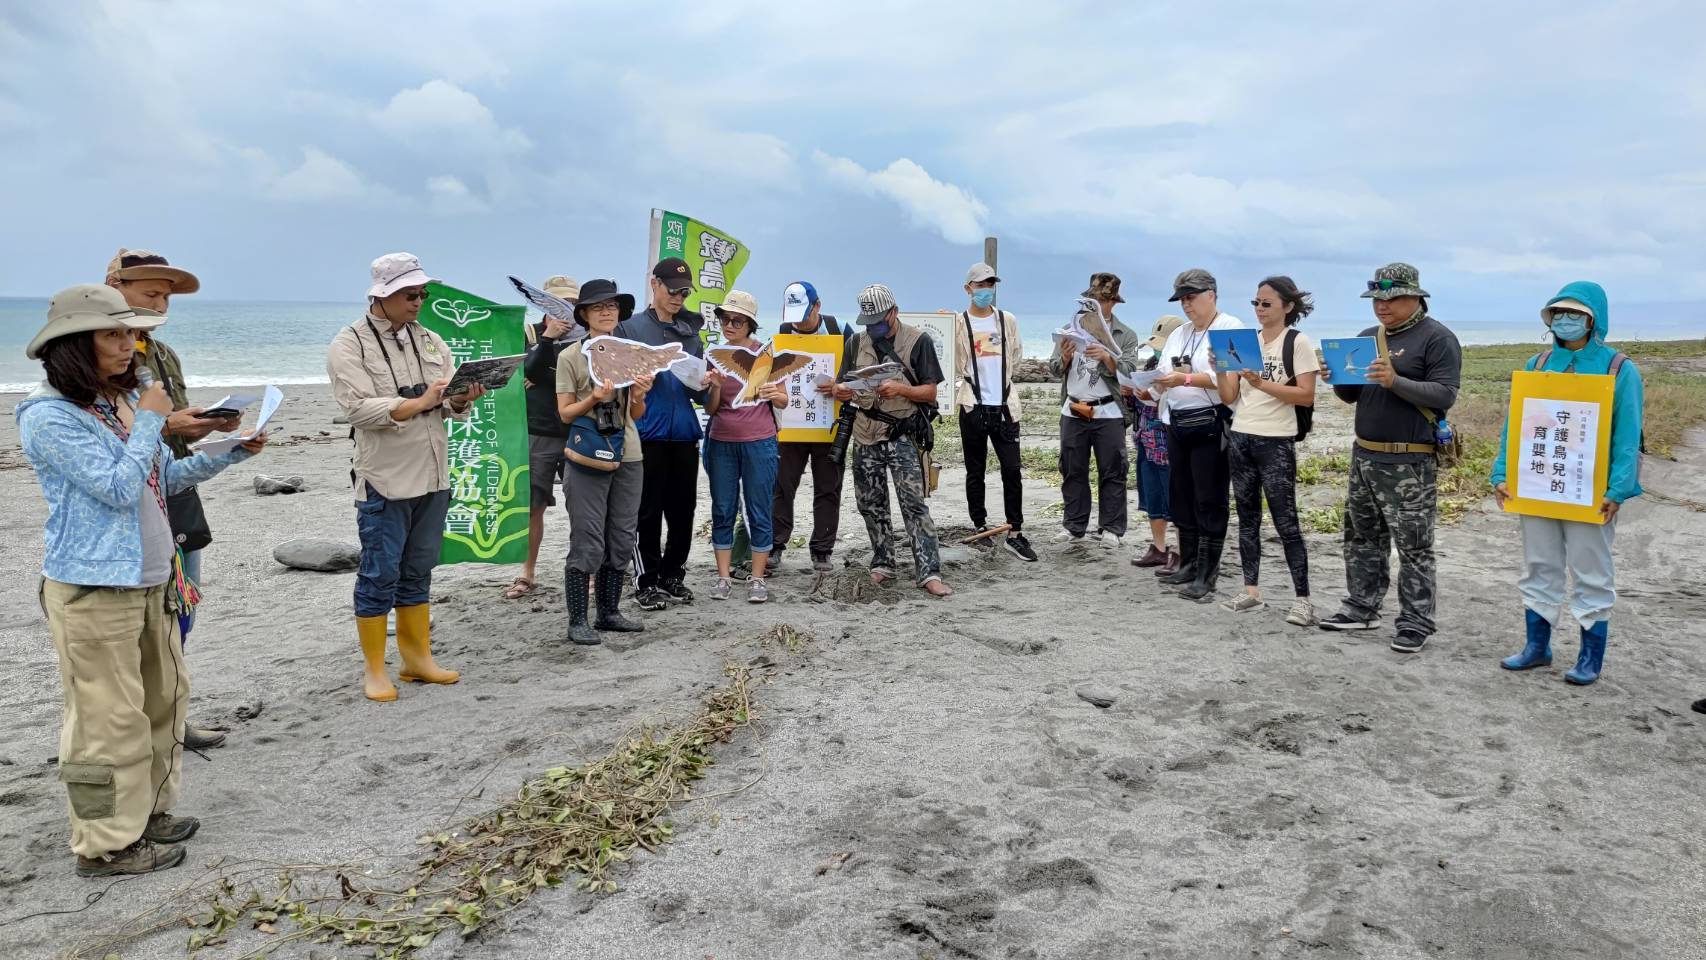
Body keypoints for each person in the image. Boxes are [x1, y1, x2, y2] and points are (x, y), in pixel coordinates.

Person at [17, 285, 266, 876]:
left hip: (151, 578)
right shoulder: (48, 414)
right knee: (107, 720)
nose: (129, 345)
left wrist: (229, 453)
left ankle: (147, 815)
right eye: (112, 334)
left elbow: (162, 482)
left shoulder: (114, 402)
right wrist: (153, 420)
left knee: (162, 703)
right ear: (73, 345)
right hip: (92, 588)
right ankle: (103, 845)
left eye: (130, 333)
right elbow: (117, 487)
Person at [327, 253, 485, 701]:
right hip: (385, 475)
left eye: (423, 293)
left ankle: (417, 659)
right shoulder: (349, 344)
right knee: (379, 571)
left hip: (435, 472)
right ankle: (375, 669)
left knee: (419, 569)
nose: (419, 301)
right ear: (382, 295)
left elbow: (451, 403)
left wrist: (462, 398)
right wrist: (418, 403)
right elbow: (355, 409)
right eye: (409, 294)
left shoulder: (432, 341)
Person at [105, 249, 240, 752]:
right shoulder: (91, 353)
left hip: (176, 490)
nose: (161, 303)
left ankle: (172, 715)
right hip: (129, 507)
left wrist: (203, 424)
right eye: (151, 293)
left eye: (166, 296)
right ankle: (143, 724)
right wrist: (166, 423)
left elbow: (170, 427)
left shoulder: (161, 352)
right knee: (137, 626)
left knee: (182, 609)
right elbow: (105, 432)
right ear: (113, 285)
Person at [1491, 282, 1642, 685]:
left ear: (1594, 320)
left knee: (1592, 570)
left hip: (1588, 491)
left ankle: (1590, 657)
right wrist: (1502, 473)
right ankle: (1536, 647)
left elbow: (1628, 436)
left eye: (1575, 313)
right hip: (1538, 484)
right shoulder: (1539, 364)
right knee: (1539, 565)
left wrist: (1618, 488)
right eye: (1558, 312)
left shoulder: (1618, 368)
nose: (1565, 320)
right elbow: (1516, 425)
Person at [1318, 262, 1461, 653]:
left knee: (1413, 545)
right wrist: (1337, 380)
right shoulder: (1368, 337)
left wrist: (1395, 380)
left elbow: (1445, 394)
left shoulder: (1437, 339)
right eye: (1377, 299)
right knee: (1362, 537)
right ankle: (1362, 606)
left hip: (1409, 460)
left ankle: (1415, 621)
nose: (1382, 306)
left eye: (1392, 298)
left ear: (1416, 297)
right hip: (1365, 454)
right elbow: (1354, 396)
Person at [833, 284, 952, 597]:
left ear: (894, 313)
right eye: (868, 323)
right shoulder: (855, 342)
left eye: (878, 322)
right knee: (870, 503)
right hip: (864, 432)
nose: (873, 328)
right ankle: (883, 562)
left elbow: (929, 391)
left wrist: (901, 390)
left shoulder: (918, 340)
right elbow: (841, 384)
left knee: (913, 504)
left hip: (902, 433)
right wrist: (841, 390)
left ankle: (929, 571)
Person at [1215, 277, 1319, 624]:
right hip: (1241, 436)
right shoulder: (1248, 341)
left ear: (1288, 307)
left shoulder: (1297, 342)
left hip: (1276, 441)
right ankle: (1251, 591)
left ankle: (1302, 598)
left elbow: (1305, 395)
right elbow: (1230, 397)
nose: (1259, 310)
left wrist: (1263, 383)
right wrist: (1220, 369)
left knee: (1286, 521)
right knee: (1247, 519)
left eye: (1266, 304)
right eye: (1255, 303)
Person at [555, 279, 650, 644]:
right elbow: (564, 414)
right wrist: (594, 398)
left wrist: (639, 395)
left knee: (622, 536)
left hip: (629, 453)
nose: (607, 312)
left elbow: (634, 415)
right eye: (599, 308)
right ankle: (578, 619)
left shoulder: (628, 353)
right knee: (588, 537)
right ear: (584, 315)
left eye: (612, 306)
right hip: (586, 455)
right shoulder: (570, 356)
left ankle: (609, 612)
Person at [618, 257, 707, 610]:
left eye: (684, 292)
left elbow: (699, 395)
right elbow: (617, 383)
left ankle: (673, 575)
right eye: (672, 290)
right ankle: (646, 579)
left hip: (685, 433)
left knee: (683, 510)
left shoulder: (691, 333)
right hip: (646, 432)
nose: (678, 297)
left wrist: (707, 384)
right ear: (653, 284)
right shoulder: (629, 329)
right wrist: (637, 385)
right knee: (646, 512)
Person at [1153, 268, 1243, 601]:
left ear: (1211, 295)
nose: (1186, 306)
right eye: (1182, 300)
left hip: (1212, 421)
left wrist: (1185, 379)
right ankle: (1188, 563)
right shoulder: (1180, 333)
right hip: (1177, 421)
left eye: (1191, 298)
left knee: (1210, 498)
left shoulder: (1230, 328)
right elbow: (1165, 372)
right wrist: (1152, 383)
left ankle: (1208, 573)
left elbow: (1232, 382)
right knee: (1182, 496)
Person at [703, 291, 785, 602]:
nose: (729, 325)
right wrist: (715, 386)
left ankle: (758, 578)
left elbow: (784, 399)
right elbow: (711, 409)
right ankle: (723, 578)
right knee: (723, 508)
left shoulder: (767, 355)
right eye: (725, 319)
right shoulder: (713, 355)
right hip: (721, 441)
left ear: (750, 324)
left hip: (760, 442)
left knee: (759, 508)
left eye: (737, 320)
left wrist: (771, 393)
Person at [952, 263, 1036, 561]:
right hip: (972, 404)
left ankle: (1015, 532)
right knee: (975, 471)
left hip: (1004, 405)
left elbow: (1015, 355)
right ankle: (980, 524)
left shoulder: (1006, 320)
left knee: (1012, 470)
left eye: (990, 284)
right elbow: (947, 354)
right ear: (968, 288)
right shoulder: (959, 323)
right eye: (980, 284)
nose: (985, 289)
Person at [1050, 277, 1141, 548]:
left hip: (1108, 410)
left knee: (1113, 470)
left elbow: (1130, 373)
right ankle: (1074, 526)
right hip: (1074, 408)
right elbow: (1054, 370)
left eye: (1102, 300)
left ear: (1113, 302)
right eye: (1092, 300)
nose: (1097, 306)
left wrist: (1106, 357)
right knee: (1072, 469)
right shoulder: (1070, 329)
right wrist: (1064, 358)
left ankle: (1111, 527)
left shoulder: (1125, 335)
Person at [509, 275, 580, 600]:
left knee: (583, 507)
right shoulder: (528, 334)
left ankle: (586, 571)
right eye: (559, 303)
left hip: (576, 430)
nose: (566, 310)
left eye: (573, 304)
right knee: (533, 506)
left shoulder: (585, 338)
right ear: (543, 303)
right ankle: (527, 571)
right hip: (537, 432)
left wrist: (538, 377)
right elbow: (528, 374)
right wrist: (548, 340)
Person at [770, 280, 848, 571]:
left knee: (828, 486)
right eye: (793, 314)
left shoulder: (838, 330)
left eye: (805, 313)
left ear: (818, 305)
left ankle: (822, 550)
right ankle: (776, 545)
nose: (799, 321)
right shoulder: (781, 334)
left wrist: (841, 386)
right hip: (790, 425)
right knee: (782, 485)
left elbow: (854, 369)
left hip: (829, 425)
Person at [1128, 314, 1185, 573]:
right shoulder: (1153, 362)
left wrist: (1152, 394)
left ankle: (1181, 550)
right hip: (1146, 437)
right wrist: (1134, 393)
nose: (1158, 349)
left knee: (1175, 494)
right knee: (1152, 494)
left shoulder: (1183, 365)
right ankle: (1159, 548)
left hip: (1169, 438)